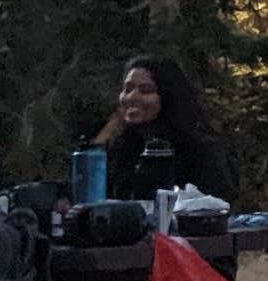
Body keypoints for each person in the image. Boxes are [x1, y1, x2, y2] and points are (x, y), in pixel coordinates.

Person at [97, 56, 233, 205]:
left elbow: (216, 206)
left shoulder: (199, 150)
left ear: (167, 95)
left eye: (146, 90)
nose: (131, 97)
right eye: (127, 89)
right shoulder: (119, 149)